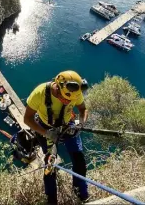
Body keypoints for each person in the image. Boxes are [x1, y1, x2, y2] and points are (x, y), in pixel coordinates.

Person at [23, 70, 89, 204]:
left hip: (67, 126)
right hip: (45, 127)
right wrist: (45, 133)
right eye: (64, 98)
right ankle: (51, 199)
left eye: (69, 100)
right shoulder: (40, 93)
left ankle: (80, 192)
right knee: (50, 165)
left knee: (79, 161)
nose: (67, 101)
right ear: (57, 86)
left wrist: (81, 124)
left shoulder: (75, 93)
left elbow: (83, 109)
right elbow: (27, 119)